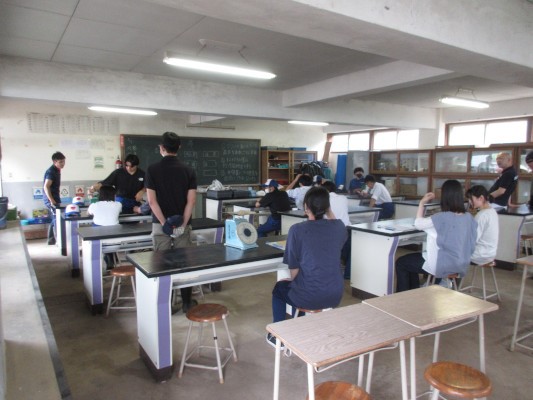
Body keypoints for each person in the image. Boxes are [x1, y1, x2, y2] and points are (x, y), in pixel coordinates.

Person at [267, 186, 346, 347]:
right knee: (300, 286)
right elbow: (334, 221)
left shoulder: (297, 230)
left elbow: (294, 268)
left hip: (310, 296)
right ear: (327, 207)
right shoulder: (339, 227)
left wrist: (296, 284)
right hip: (335, 295)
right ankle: (300, 324)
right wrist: (327, 209)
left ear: (305, 207)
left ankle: (277, 337)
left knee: (280, 289)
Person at [145, 132, 198, 314]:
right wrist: (182, 224)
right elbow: (191, 201)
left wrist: (164, 223)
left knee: (162, 264)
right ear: (179, 148)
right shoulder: (189, 170)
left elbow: (152, 201)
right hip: (183, 223)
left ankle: (165, 305)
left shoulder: (152, 170)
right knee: (184, 262)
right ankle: (186, 303)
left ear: (162, 148)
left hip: (160, 225)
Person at [395, 180, 478, 292]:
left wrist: (422, 203)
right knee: (411, 262)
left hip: (442, 265)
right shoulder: (469, 218)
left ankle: (404, 297)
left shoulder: (441, 217)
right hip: (461, 264)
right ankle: (414, 293)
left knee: (402, 262)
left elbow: (418, 224)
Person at [322, 180, 352, 280]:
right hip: (347, 229)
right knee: (349, 250)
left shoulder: (324, 200)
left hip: (332, 230)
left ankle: (332, 272)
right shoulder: (344, 198)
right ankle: (348, 274)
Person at [466, 185, 499, 265]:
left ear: (481, 198)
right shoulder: (492, 211)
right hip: (491, 253)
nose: (469, 202)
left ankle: (453, 273)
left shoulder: (482, 215)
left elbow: (473, 240)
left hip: (479, 255)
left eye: (471, 199)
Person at [43, 151, 66, 245]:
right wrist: (52, 200)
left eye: (64, 161)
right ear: (54, 162)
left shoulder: (57, 170)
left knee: (56, 217)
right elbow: (46, 186)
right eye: (60, 162)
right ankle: (54, 240)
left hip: (55, 197)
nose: (63, 164)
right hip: (51, 199)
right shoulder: (51, 171)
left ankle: (52, 239)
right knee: (56, 218)